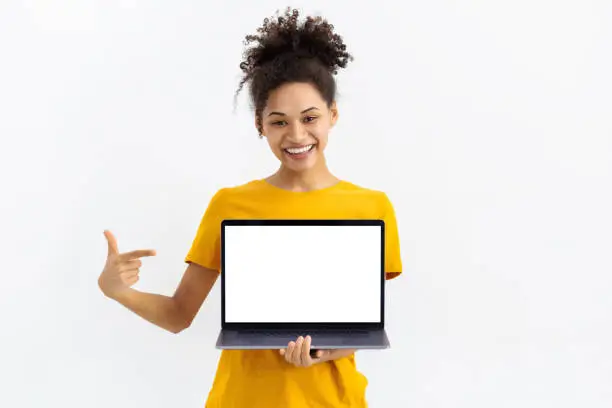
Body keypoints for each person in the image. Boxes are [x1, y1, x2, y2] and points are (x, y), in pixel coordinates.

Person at [97, 7, 402, 408]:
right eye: (278, 122)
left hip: (332, 400)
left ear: (332, 115)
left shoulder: (371, 206)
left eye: (310, 118)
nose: (296, 135)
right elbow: (178, 315)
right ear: (260, 124)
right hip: (242, 399)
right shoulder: (230, 204)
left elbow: (362, 329)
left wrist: (326, 351)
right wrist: (116, 290)